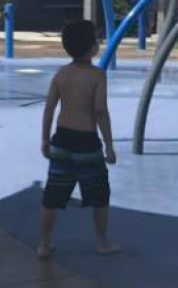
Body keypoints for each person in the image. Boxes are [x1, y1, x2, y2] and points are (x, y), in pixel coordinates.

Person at [37, 20, 119, 260]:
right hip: (87, 144)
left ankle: (43, 244)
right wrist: (110, 145)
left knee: (52, 197)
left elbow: (49, 110)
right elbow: (100, 111)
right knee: (99, 196)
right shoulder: (97, 76)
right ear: (92, 47)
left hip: (61, 140)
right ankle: (102, 242)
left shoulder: (61, 74)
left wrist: (44, 140)